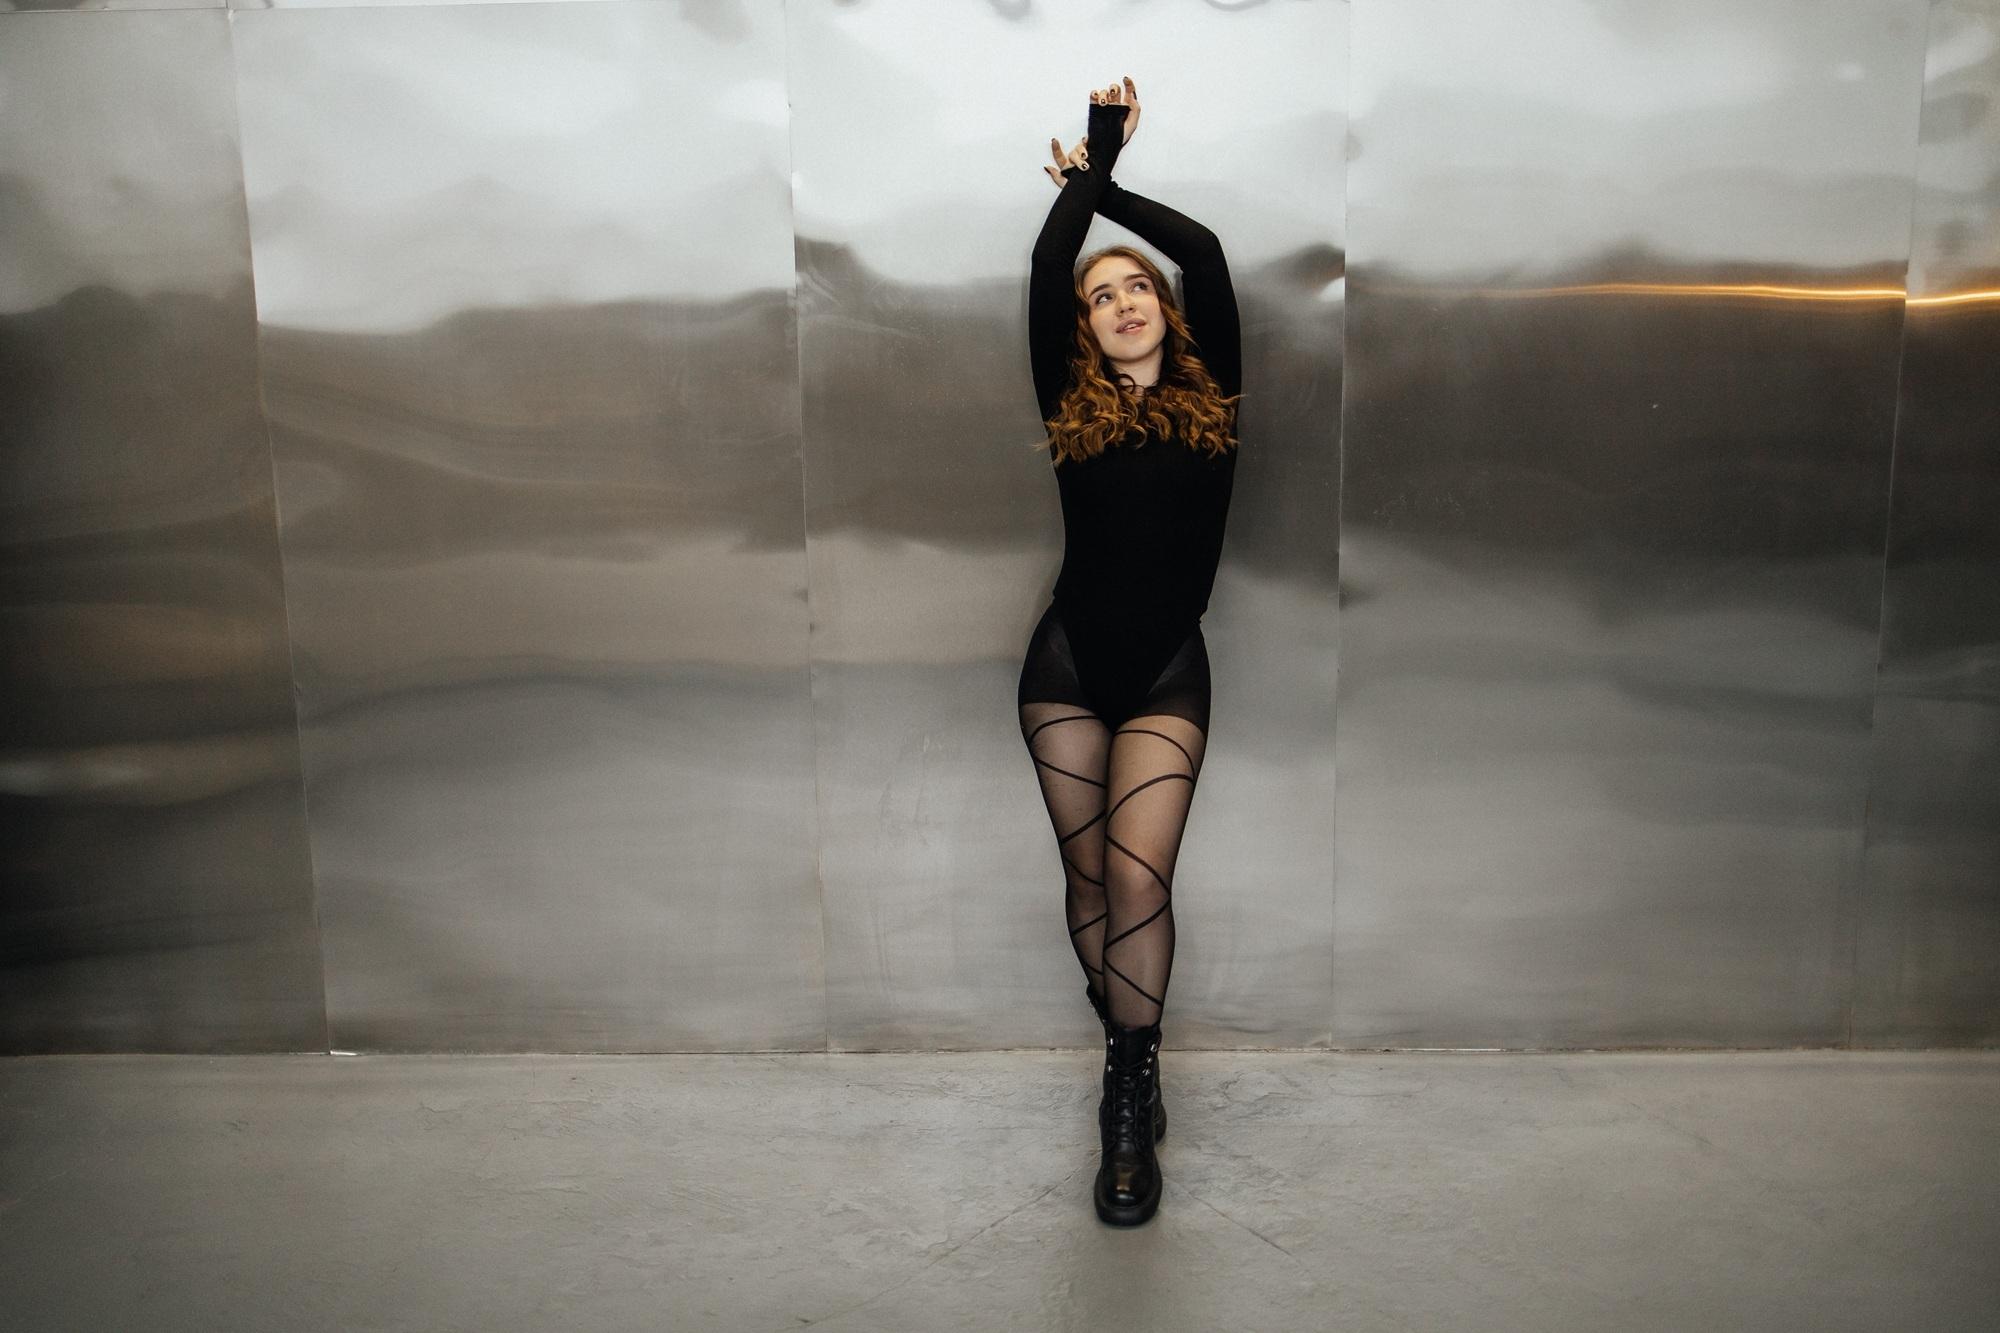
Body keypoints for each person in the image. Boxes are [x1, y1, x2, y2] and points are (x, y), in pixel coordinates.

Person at [1017, 76, 1242, 1228]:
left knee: (1138, 876)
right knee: (1089, 880)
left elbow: (1201, 249)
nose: (1119, 302)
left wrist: (1101, 169)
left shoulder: (1218, 400)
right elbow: (1045, 262)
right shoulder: (1068, 405)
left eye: (1134, 286)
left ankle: (1123, 1087)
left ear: (1162, 305)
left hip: (1162, 673)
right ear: (1084, 326)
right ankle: (1130, 1061)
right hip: (1064, 671)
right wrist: (1084, 182)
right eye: (1099, 295)